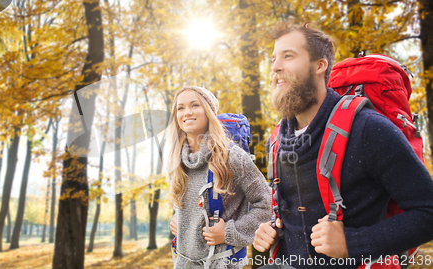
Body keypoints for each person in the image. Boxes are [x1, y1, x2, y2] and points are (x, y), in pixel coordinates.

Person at [253, 23, 433, 268]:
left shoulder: (368, 129)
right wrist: (270, 229)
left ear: (319, 65)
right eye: (274, 59)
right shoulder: (276, 141)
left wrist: (353, 243)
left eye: (288, 56)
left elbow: (428, 212)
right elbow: (295, 217)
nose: (275, 67)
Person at [167, 86, 271, 268]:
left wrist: (230, 232)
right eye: (180, 108)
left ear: (209, 112)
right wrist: (179, 221)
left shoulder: (231, 157)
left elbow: (267, 203)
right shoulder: (177, 160)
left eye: (194, 105)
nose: (187, 112)